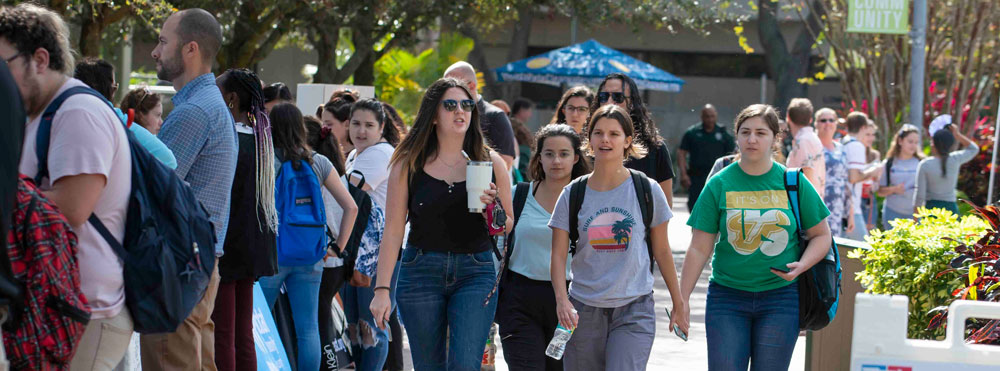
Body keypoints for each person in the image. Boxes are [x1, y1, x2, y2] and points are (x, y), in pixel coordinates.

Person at [2, 4, 134, 368]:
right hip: (58, 305)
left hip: (82, 311)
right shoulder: (41, 112)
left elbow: (73, 208)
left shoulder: (77, 113)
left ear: (40, 59)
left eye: (3, 65)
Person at [369, 78, 512, 370]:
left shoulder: (489, 162)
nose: (460, 111)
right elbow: (394, 229)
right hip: (421, 270)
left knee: (464, 365)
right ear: (434, 115)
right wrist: (382, 289)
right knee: (428, 366)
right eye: (450, 105)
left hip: (476, 270)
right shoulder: (409, 162)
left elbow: (507, 225)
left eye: (467, 104)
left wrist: (492, 206)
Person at [680, 104, 832, 370]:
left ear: (775, 137)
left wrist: (802, 266)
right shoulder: (719, 183)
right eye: (745, 132)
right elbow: (698, 249)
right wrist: (681, 301)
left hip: (781, 298)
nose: (752, 139)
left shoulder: (793, 182)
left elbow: (821, 236)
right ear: (736, 136)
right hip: (727, 298)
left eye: (761, 133)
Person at [548, 105, 685, 370]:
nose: (605, 140)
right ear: (589, 140)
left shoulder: (647, 189)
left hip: (634, 307)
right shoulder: (572, 193)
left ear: (628, 141)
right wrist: (561, 300)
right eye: (598, 133)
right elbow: (557, 254)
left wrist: (679, 303)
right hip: (583, 310)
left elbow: (663, 251)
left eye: (614, 133)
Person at [144, 8, 237, 370]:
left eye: (163, 41)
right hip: (197, 259)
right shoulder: (209, 105)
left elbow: (151, 187)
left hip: (180, 262)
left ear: (190, 49)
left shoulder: (194, 111)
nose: (155, 51)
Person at [259, 103, 359, 371]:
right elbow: (352, 207)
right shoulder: (319, 162)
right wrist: (338, 248)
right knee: (308, 328)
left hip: (273, 256)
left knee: (260, 325)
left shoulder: (266, 162)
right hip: (311, 255)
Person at [497, 124, 590, 371]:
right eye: (548, 154)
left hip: (572, 302)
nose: (556, 161)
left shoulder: (590, 200)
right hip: (520, 300)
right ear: (539, 157)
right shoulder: (519, 194)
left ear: (576, 157)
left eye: (564, 154)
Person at [212, 68, 278, 371]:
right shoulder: (262, 140)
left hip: (228, 242)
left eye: (216, 90)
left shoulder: (228, 138)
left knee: (222, 333)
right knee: (242, 332)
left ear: (231, 98)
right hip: (254, 242)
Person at [74, 57, 177, 169]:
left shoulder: (64, 117)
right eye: (114, 88)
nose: (161, 122)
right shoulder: (119, 122)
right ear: (109, 91)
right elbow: (168, 160)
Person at [591, 73, 675, 207]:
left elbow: (664, 208)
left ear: (632, 103)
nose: (609, 102)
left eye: (618, 97)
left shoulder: (655, 148)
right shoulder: (589, 145)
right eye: (604, 96)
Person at [444, 61, 517, 170]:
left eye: (454, 85)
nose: (447, 90)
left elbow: (505, 163)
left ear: (471, 86)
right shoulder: (445, 113)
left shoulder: (495, 116)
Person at [678, 104, 735, 211]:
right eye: (707, 116)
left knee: (715, 206)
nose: (710, 119)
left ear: (716, 116)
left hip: (718, 176)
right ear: (702, 116)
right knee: (695, 206)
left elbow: (733, 155)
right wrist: (683, 174)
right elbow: (681, 153)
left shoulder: (723, 134)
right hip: (697, 177)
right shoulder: (692, 133)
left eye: (712, 116)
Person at [914, 123, 979, 215]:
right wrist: (957, 135)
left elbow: (919, 196)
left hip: (931, 209)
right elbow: (974, 149)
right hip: (951, 210)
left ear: (933, 144)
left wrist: (915, 219)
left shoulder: (925, 165)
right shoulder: (955, 159)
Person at [842, 112, 881, 241]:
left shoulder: (844, 142)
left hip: (842, 204)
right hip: (852, 207)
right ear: (863, 127)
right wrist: (874, 171)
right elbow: (854, 177)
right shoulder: (857, 145)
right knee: (865, 251)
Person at [816, 108, 855, 237]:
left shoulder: (841, 149)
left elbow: (846, 181)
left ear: (836, 124)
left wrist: (850, 212)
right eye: (823, 120)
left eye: (831, 120)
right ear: (816, 123)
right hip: (817, 206)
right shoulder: (812, 147)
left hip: (837, 208)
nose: (827, 123)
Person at [878, 124, 923, 229]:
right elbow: (880, 191)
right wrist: (894, 189)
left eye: (916, 142)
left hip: (915, 213)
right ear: (900, 141)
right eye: (910, 141)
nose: (913, 145)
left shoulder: (921, 163)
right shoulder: (889, 163)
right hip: (892, 212)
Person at [785, 98, 825, 197]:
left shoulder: (804, 141)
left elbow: (807, 177)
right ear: (810, 119)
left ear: (788, 117)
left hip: (806, 206)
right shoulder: (810, 138)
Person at [322, 90, 358, 156]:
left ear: (347, 124)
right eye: (323, 124)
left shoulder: (360, 154)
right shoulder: (323, 152)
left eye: (329, 124)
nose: (323, 128)